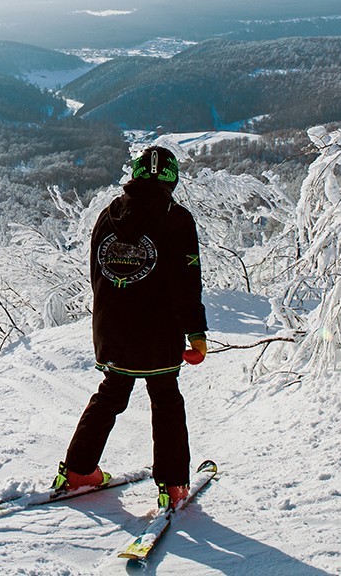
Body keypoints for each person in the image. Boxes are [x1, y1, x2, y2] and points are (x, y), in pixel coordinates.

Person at [53, 145, 208, 510]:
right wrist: (196, 333)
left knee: (110, 394)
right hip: (158, 332)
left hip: (112, 329)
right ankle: (172, 486)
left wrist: (109, 319)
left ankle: (78, 470)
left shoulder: (107, 215)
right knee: (166, 399)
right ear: (172, 179)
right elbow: (187, 281)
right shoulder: (177, 218)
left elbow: (98, 275)